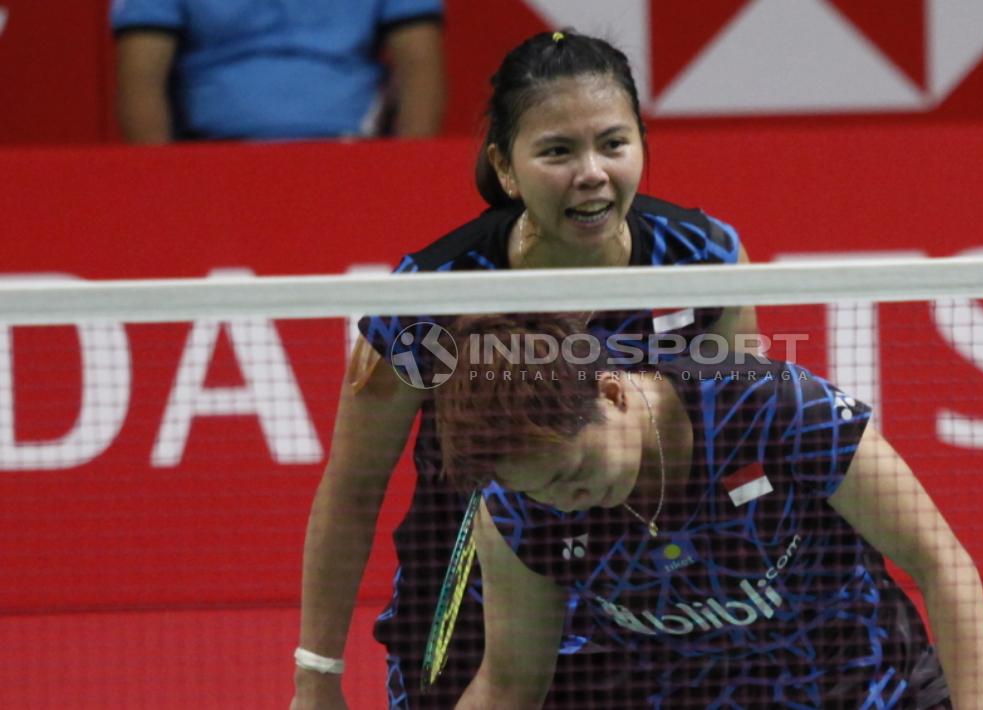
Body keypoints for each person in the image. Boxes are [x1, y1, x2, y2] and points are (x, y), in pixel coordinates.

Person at [292, 30, 759, 710]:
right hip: (470, 606)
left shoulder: (701, 256)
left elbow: (742, 437)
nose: (592, 172)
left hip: (651, 612)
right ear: (505, 170)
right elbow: (354, 487)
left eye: (613, 143)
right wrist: (317, 675)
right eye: (557, 152)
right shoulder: (433, 293)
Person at [435, 313, 983, 709]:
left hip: (875, 691)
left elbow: (940, 562)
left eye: (572, 474)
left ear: (612, 395)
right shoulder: (516, 513)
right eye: (538, 492)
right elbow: (510, 684)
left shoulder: (775, 410)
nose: (561, 502)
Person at [111, 0, 445, 143]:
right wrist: (164, 184)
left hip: (353, 153)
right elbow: (141, 77)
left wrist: (405, 173)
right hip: (212, 156)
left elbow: (420, 66)